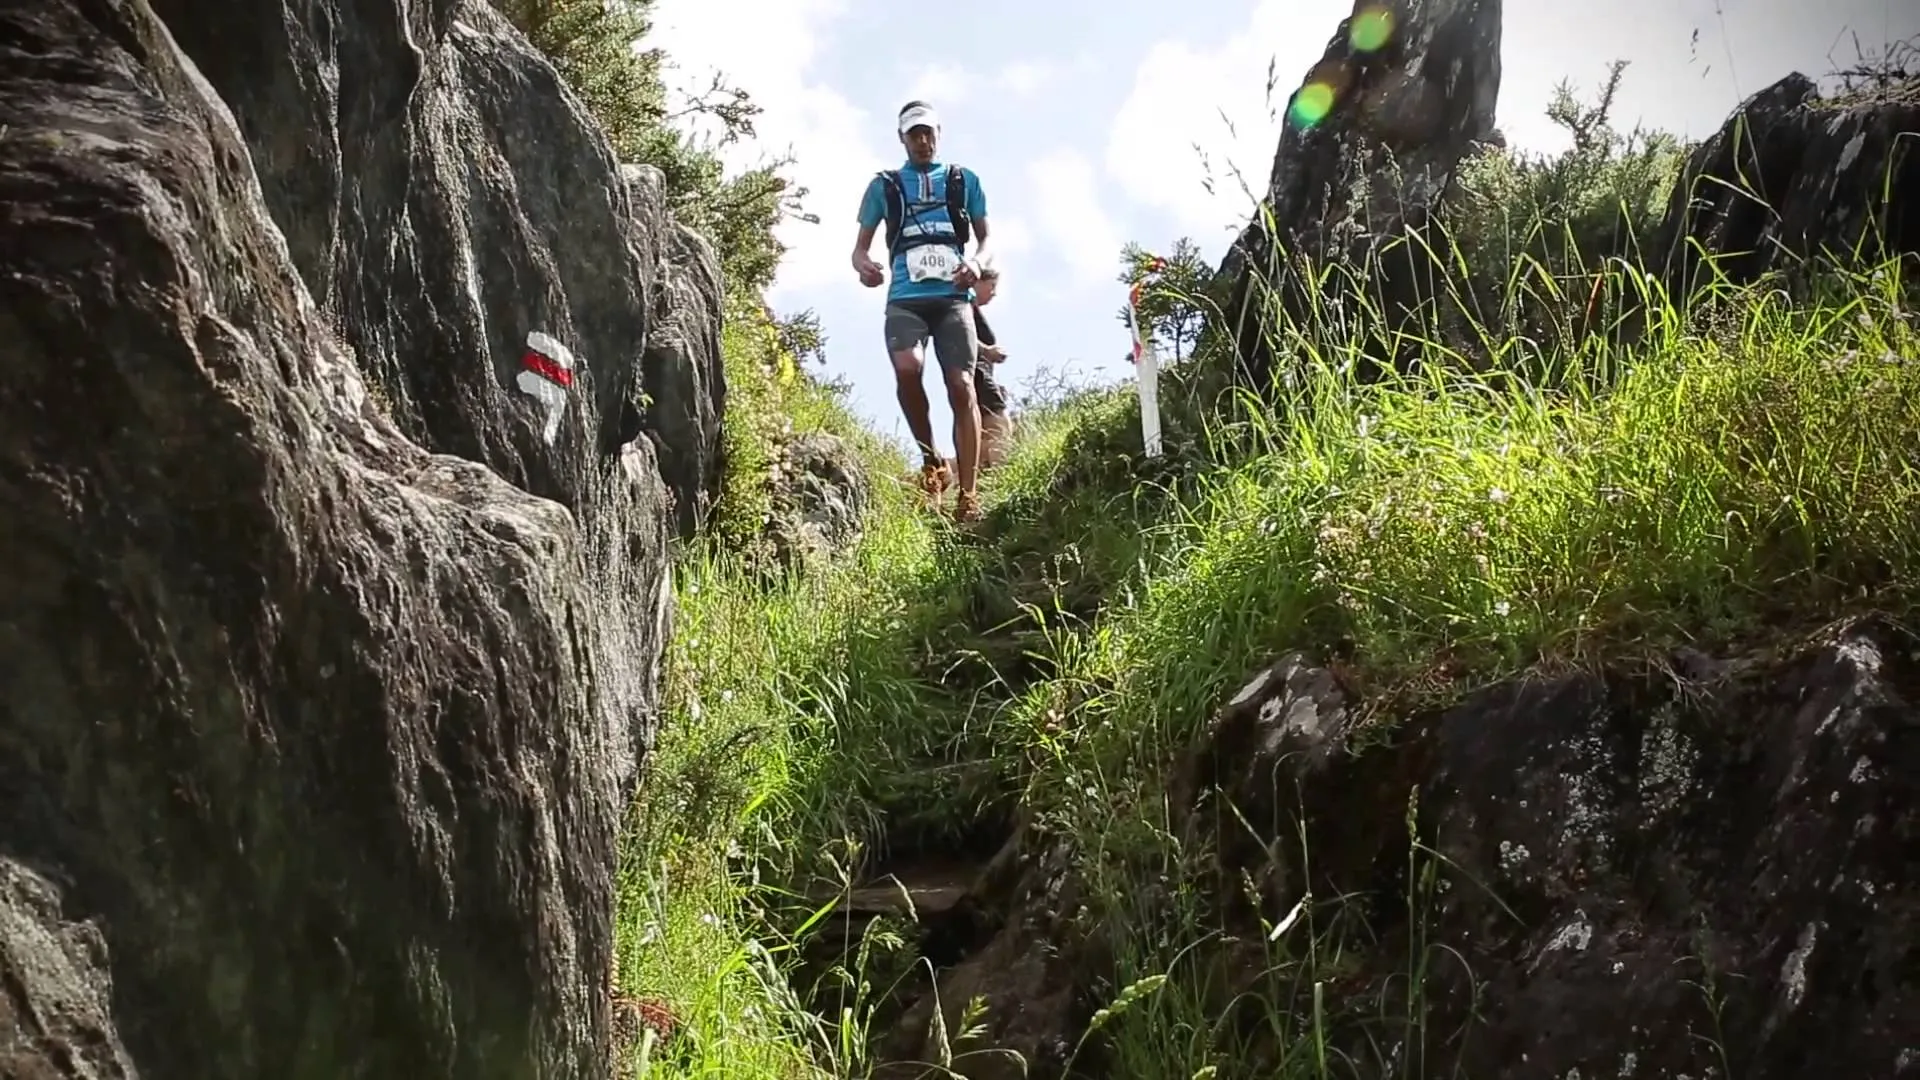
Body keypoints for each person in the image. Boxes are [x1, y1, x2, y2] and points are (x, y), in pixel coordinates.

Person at [850, 100, 993, 522]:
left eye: (928, 133)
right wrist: (865, 268)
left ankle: (968, 497)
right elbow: (859, 249)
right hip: (906, 297)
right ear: (902, 139)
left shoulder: (963, 181)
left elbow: (987, 239)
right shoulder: (885, 186)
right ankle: (932, 461)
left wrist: (977, 263)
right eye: (915, 134)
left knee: (961, 384)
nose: (923, 141)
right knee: (908, 367)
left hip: (952, 298)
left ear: (938, 134)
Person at [969, 269, 1012, 468]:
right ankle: (1002, 475)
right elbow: (959, 335)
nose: (994, 292)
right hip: (976, 373)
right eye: (992, 285)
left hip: (977, 375)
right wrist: (988, 351)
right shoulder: (963, 305)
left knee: (982, 439)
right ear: (977, 282)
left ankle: (939, 473)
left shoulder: (971, 310)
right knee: (999, 424)